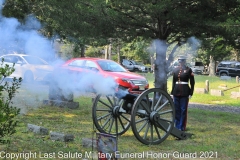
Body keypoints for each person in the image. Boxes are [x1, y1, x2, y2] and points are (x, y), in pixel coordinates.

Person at [171, 55, 195, 131]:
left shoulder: (189, 70)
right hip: (176, 91)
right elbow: (174, 82)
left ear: (184, 61)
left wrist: (191, 93)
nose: (181, 63)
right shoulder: (175, 70)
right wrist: (172, 92)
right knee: (176, 109)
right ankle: (177, 126)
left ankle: (182, 127)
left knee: (183, 109)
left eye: (182, 61)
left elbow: (192, 82)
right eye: (179, 61)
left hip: (185, 92)